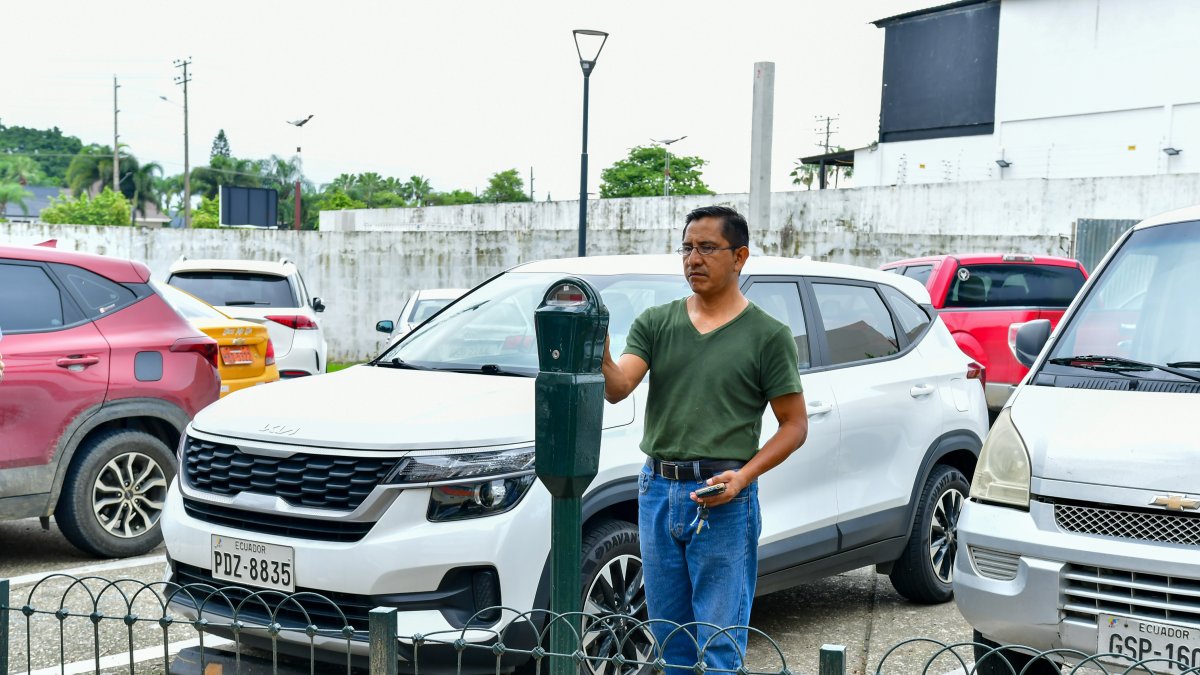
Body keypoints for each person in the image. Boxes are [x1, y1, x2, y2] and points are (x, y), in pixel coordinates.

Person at [601, 205, 808, 669]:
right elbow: (618, 388)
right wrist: (597, 346)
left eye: (707, 248)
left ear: (739, 257)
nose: (693, 258)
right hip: (656, 490)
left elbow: (794, 424)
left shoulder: (767, 335)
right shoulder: (656, 322)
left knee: (717, 645)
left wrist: (744, 477)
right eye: (687, 247)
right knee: (669, 641)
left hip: (722, 496)